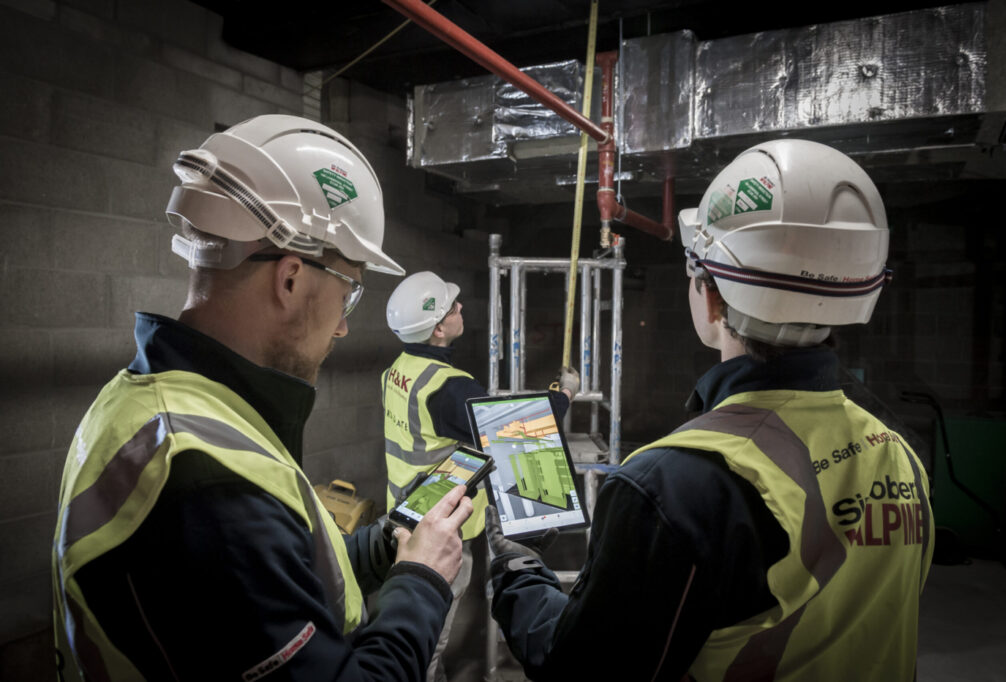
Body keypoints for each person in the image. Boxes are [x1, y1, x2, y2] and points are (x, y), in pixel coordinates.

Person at [485, 139, 935, 681]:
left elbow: (579, 667)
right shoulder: (897, 452)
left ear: (713, 297)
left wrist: (518, 563)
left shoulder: (672, 486)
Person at [52, 114, 474, 682]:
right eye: (347, 294)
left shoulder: (145, 401)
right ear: (292, 278)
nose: (343, 327)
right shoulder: (204, 481)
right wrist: (421, 581)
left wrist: (381, 549)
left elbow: (279, 580)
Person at [382, 270, 578, 681]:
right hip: (440, 527)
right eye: (452, 307)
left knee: (417, 617)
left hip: (407, 509)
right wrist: (563, 395)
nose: (460, 308)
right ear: (438, 329)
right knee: (428, 632)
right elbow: (517, 427)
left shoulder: (399, 369)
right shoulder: (448, 388)